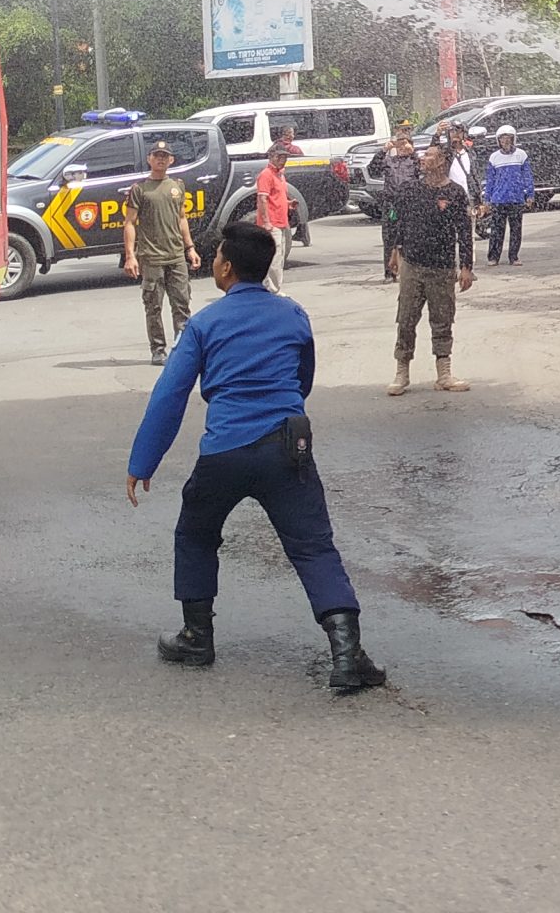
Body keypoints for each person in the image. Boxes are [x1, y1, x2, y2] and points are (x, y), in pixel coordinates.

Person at [125, 220, 385, 694]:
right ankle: (348, 656)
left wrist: (143, 461)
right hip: (287, 448)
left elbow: (170, 395)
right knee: (312, 546)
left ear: (225, 267)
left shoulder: (204, 323)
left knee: (196, 535)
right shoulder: (292, 314)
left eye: (219, 257)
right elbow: (303, 378)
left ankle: (196, 638)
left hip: (223, 451)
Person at [389, 141, 473, 397]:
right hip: (412, 265)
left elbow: (464, 232)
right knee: (406, 319)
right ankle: (401, 372)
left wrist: (466, 266)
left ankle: (444, 373)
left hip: (443, 267)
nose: (423, 158)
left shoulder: (456, 193)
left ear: (441, 162)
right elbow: (398, 222)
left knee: (442, 319)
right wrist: (395, 251)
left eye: (429, 155)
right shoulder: (410, 190)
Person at [120, 141, 202, 365]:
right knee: (153, 306)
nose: (161, 159)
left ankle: (183, 348)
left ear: (171, 160)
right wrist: (130, 255)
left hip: (176, 256)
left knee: (182, 303)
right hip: (151, 257)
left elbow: (182, 218)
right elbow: (129, 223)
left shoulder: (177, 186)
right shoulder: (139, 189)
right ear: (149, 159)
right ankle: (158, 349)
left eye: (165, 156)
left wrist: (190, 248)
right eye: (157, 155)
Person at [481, 123, 533, 266]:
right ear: (498, 141)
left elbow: (527, 176)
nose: (505, 142)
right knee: (497, 231)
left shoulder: (521, 155)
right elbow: (490, 180)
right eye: (502, 139)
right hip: (499, 199)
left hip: (516, 198)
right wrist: (487, 199)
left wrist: (530, 194)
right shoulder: (494, 158)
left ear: (513, 139)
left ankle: (514, 256)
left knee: (516, 230)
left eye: (508, 139)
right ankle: (493, 257)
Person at [377, 125, 423, 283]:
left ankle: (410, 270)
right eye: (399, 144)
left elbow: (425, 169)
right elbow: (373, 168)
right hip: (391, 205)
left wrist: (414, 153)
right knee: (390, 239)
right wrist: (383, 151)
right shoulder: (389, 160)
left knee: (411, 238)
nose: (402, 147)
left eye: (405, 143)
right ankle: (389, 273)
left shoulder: (415, 161)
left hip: (410, 204)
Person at [251, 155, 292, 293]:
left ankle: (273, 288)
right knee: (274, 258)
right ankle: (272, 290)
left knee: (280, 257)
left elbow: (278, 197)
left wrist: (289, 204)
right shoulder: (266, 174)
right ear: (273, 157)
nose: (284, 160)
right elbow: (262, 199)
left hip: (281, 222)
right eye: (281, 157)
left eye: (285, 157)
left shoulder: (280, 175)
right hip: (272, 223)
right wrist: (266, 222)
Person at [275, 124, 313, 249]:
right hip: (295, 183)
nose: (293, 135)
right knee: (300, 210)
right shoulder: (294, 150)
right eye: (291, 133)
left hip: (280, 183)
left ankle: (301, 234)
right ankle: (303, 235)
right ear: (287, 135)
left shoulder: (274, 147)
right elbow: (303, 164)